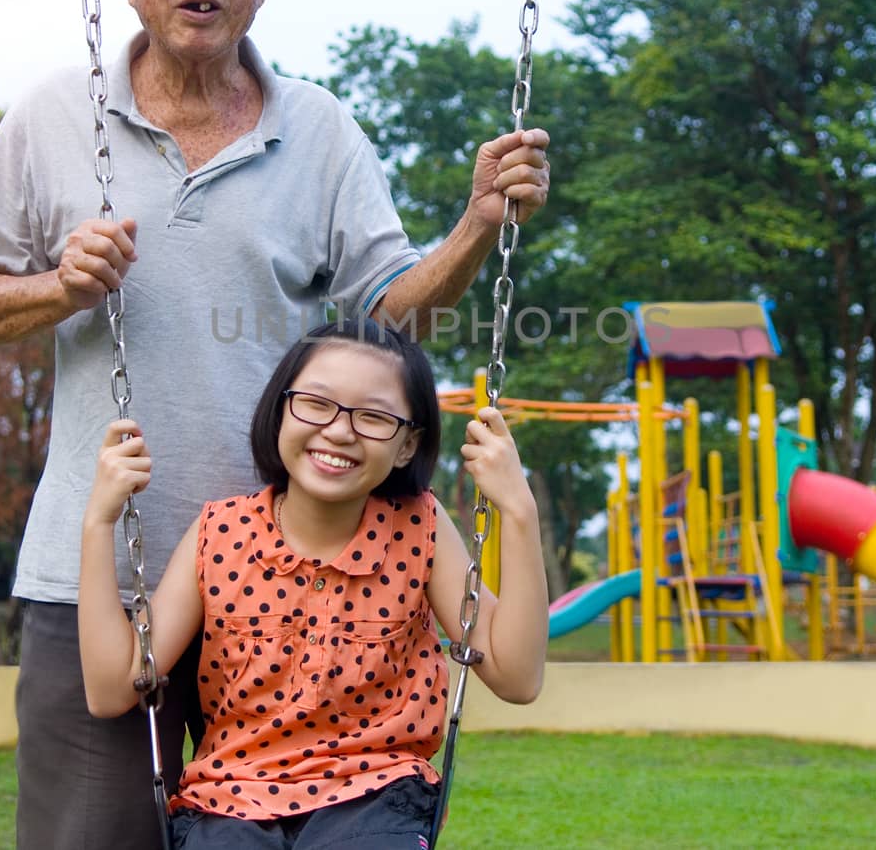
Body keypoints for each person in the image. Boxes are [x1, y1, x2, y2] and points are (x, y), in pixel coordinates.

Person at [0, 0, 550, 847]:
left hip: (288, 578)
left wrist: (476, 224)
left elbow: (390, 314)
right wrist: (59, 284)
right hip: (104, 574)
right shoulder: (55, 117)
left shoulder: (322, 131)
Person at [79, 319, 549, 847]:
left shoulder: (421, 526)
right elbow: (113, 688)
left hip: (375, 792)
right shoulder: (221, 532)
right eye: (317, 403)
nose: (340, 431)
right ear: (282, 411)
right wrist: (98, 521)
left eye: (373, 416)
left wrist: (519, 510)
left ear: (406, 445)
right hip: (231, 798)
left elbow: (517, 678)